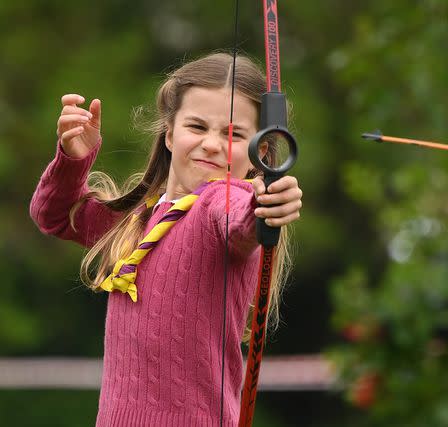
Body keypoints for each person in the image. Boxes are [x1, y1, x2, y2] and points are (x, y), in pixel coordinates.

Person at [29, 52, 303, 426]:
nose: (211, 144)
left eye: (234, 134)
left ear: (261, 153)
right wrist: (73, 159)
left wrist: (265, 203)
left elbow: (240, 221)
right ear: (170, 134)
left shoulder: (221, 202)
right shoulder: (134, 220)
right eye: (197, 126)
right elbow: (54, 215)